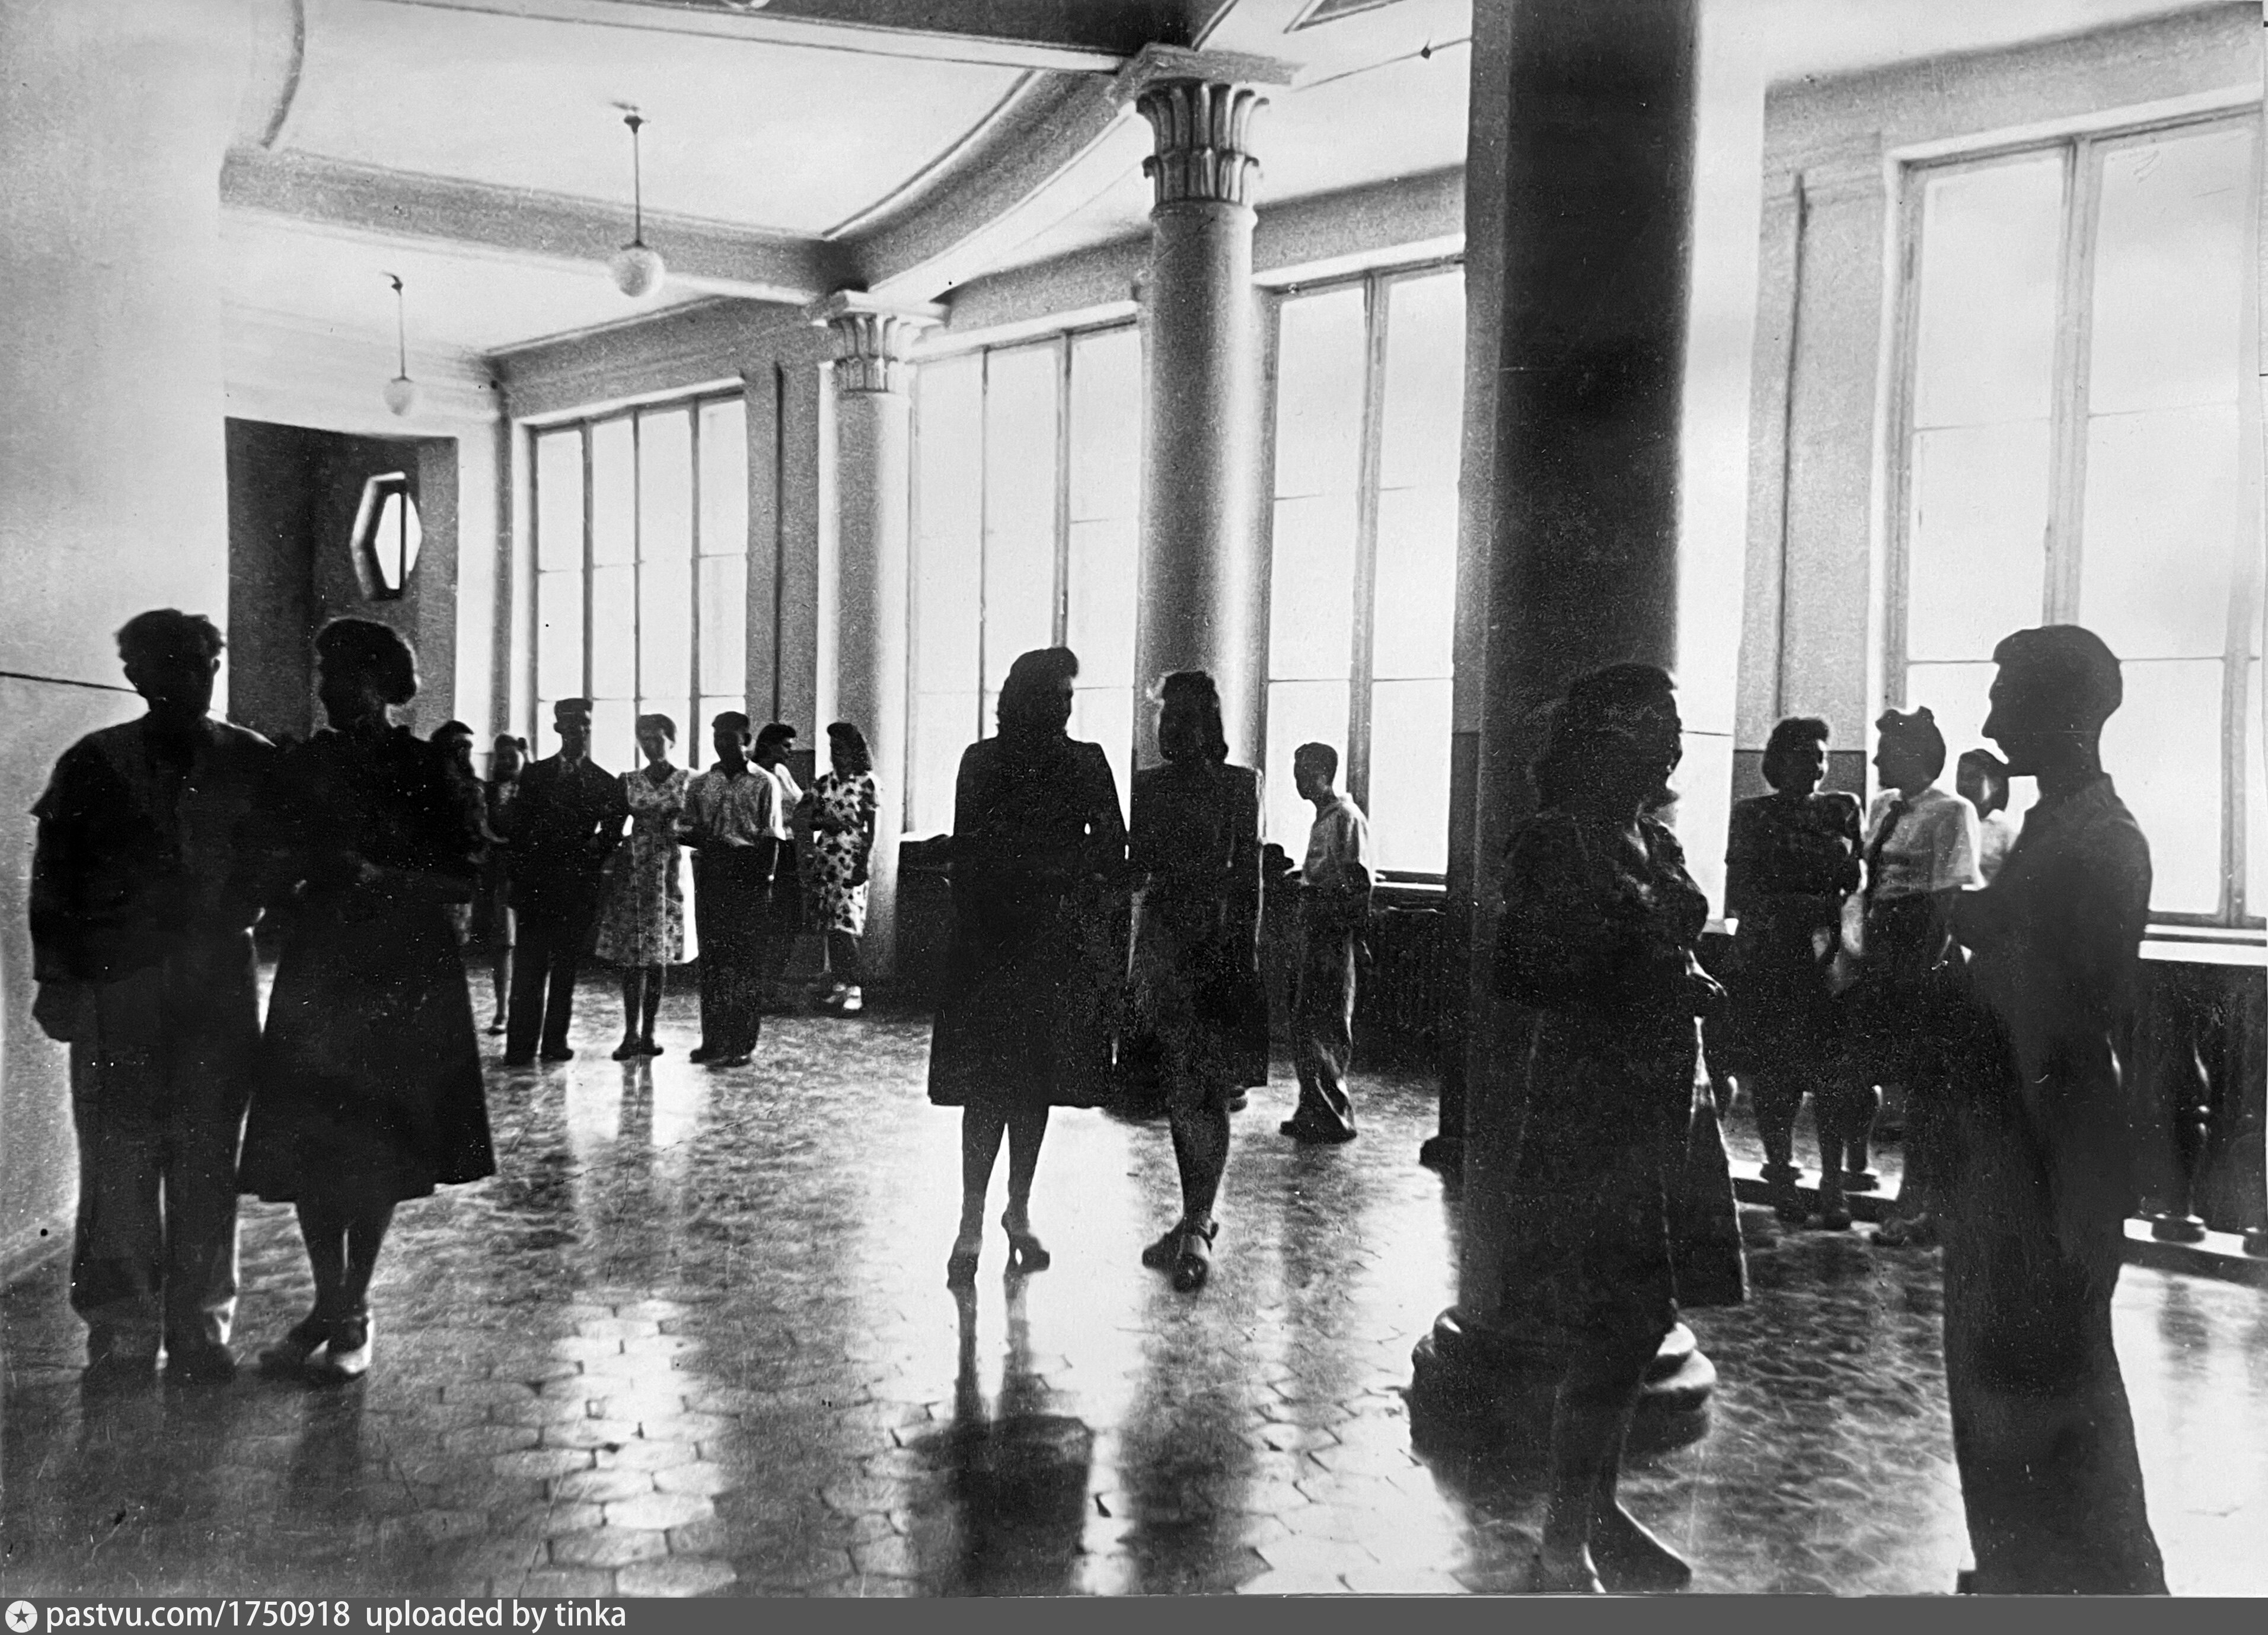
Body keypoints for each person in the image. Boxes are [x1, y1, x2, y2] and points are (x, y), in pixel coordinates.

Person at [1492, 663, 1737, 1595]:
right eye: (1652, 722)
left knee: (1643, 1314)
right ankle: (1564, 1536)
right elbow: (1522, 970)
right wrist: (1644, 976)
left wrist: (1685, 976)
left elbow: (1663, 943)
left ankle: (1594, 1507)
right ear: (1601, 735)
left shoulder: (1654, 837)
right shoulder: (1555, 840)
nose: (1670, 740)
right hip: (1594, 1104)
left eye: (1672, 724)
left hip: (1668, 1096)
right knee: (1615, 1315)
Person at [1940, 626, 2164, 1595]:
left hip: (2050, 1153)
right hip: (2015, 1149)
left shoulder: (2102, 841)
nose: (1991, 719)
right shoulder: (2057, 826)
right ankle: (2018, 1572)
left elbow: (2064, 1022)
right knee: (2002, 1387)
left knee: (2055, 1397)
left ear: (2064, 712)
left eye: (2007, 698)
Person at [237, 618, 494, 1382]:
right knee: (314, 1137)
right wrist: (291, 878)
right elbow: (266, 859)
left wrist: (383, 879)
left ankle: (352, 1306)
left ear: (378, 683)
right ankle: (330, 1303)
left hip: (401, 969)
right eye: (323, 675)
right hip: (323, 965)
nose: (324, 688)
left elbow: (465, 878)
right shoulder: (303, 766)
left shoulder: (427, 766)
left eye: (337, 675)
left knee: (378, 1139)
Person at [28, 610, 278, 1386]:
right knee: (118, 1161)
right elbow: (54, 879)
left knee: (207, 1158)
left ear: (215, 669)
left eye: (200, 665)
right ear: (136, 675)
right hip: (120, 984)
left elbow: (282, 862)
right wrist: (56, 979)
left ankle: (201, 1327)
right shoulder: (94, 762)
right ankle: (121, 1333)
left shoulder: (253, 762)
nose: (187, 681)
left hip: (215, 982)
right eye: (168, 666)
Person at [929, 648, 1127, 1283]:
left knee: (1032, 1086)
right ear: (1027, 698)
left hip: (1052, 943)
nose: (1067, 707)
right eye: (1057, 696)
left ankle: (1017, 1209)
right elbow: (968, 850)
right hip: (991, 944)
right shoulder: (981, 761)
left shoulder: (1086, 761)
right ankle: (971, 1217)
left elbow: (1113, 848)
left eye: (1071, 697)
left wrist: (1067, 877)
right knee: (986, 1088)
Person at [1125, 673, 1265, 1293]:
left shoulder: (1240, 785)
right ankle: (1193, 1218)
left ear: (1207, 721)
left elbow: (1249, 881)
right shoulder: (1150, 787)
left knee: (1209, 1092)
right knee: (1182, 1094)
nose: (1171, 727)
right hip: (1164, 952)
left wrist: (1243, 960)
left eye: (1182, 716)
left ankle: (1199, 1223)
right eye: (1166, 716)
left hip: (1217, 950)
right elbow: (1139, 872)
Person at [1722, 716, 1863, 1223]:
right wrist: (1798, 903)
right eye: (1805, 755)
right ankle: (1781, 1176)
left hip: (1827, 954)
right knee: (1775, 1070)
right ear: (1777, 761)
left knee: (1832, 1072)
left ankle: (1832, 1184)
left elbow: (1854, 880)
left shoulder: (1843, 807)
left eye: (1822, 756)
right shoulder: (1750, 813)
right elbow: (1742, 889)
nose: (1817, 766)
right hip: (1771, 952)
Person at [1850, 706, 1980, 1244]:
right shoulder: (1883, 805)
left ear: (1914, 754)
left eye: (1886, 750)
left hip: (1925, 953)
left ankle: (1923, 1202)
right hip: (1880, 947)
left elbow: (1949, 898)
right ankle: (1904, 1198)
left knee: (1929, 1090)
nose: (1876, 760)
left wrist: (1919, 970)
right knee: (1887, 1078)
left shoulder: (1953, 810)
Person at [500, 699, 626, 1065]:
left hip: (576, 886)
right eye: (569, 724)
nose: (577, 731)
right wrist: (519, 879)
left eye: (583, 724)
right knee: (528, 967)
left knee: (566, 968)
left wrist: (586, 856)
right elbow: (519, 831)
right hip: (536, 886)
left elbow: (612, 832)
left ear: (590, 728)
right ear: (557, 729)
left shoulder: (604, 781)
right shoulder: (535, 775)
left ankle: (555, 1042)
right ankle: (520, 1047)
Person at [1281, 742, 1371, 1145]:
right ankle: (1313, 1109)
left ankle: (1333, 1115)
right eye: (1296, 771)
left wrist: (1355, 935)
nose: (1298, 779)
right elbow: (1325, 870)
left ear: (1325, 773)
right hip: (1315, 930)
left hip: (1332, 933)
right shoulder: (1325, 819)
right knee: (1307, 1022)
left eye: (1306, 771)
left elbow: (1356, 881)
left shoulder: (1345, 819)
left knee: (1328, 1023)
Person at [684, 712, 785, 1068]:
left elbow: (772, 836)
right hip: (712, 871)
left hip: (748, 872)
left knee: (745, 962)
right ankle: (713, 1041)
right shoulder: (701, 784)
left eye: (731, 737)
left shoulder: (765, 783)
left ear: (747, 741)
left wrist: (766, 881)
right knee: (713, 961)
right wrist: (701, 838)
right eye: (718, 737)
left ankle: (742, 1042)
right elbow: (687, 828)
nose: (723, 744)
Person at [593, 713, 689, 1060]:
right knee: (633, 957)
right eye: (644, 739)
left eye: (657, 738)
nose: (650, 745)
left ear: (672, 740)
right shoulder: (629, 781)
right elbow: (612, 826)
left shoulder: (687, 780)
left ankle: (650, 1032)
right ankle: (630, 1033)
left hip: (669, 870)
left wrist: (679, 833)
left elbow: (696, 825)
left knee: (658, 955)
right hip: (634, 870)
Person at [805, 721, 879, 1015]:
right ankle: (839, 985)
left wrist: (865, 863)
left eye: (842, 750)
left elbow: (872, 829)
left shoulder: (866, 783)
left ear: (854, 752)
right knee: (830, 927)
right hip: (826, 860)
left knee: (846, 926)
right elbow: (811, 820)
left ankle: (855, 988)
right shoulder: (823, 783)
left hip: (851, 861)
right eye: (833, 750)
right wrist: (825, 822)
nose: (836, 756)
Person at [753, 722, 806, 1011]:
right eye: (785, 746)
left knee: (788, 921)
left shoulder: (782, 772)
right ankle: (760, 990)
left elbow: (798, 803)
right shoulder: (754, 776)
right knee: (765, 921)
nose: (790, 751)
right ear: (769, 745)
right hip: (762, 848)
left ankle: (771, 988)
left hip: (786, 849)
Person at [479, 735, 527, 1032]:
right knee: (503, 944)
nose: (506, 762)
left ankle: (525, 1011)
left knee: (530, 945)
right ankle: (502, 1011)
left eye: (512, 756)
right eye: (501, 757)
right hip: (500, 874)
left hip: (530, 873)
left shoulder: (533, 790)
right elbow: (480, 826)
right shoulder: (486, 792)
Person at [430, 722, 479, 946]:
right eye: (458, 746)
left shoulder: (470, 782)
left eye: (467, 746)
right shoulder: (436, 780)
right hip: (439, 863)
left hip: (462, 866)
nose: (464, 751)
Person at [1957, 748, 2017, 884]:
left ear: (1995, 784)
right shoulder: (1953, 822)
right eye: (1961, 777)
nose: (1964, 784)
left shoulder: (2007, 830)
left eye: (1973, 777)